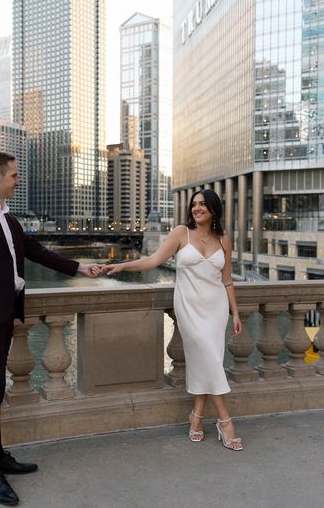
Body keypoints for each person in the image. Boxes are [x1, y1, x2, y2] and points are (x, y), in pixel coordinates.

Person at [0, 151, 102, 506]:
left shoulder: (11, 220)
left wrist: (79, 268)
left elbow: (37, 252)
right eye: (15, 176)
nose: (18, 181)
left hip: (6, 314)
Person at [103, 189, 243, 451]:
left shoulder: (224, 239)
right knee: (210, 359)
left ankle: (197, 417)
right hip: (189, 307)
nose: (197, 208)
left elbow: (227, 280)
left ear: (214, 209)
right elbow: (154, 260)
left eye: (203, 204)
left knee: (207, 360)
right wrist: (122, 266)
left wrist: (235, 313)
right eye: (194, 205)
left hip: (215, 309)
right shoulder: (181, 233)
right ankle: (225, 421)